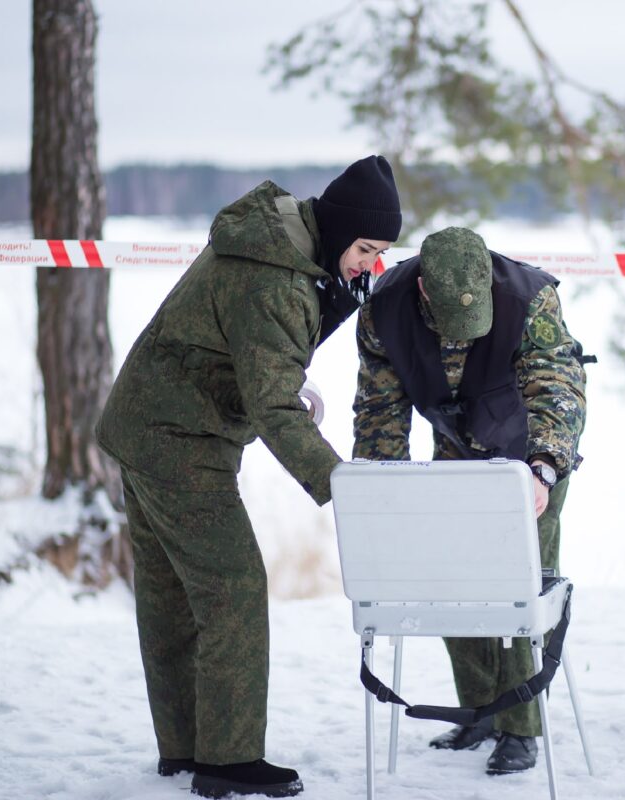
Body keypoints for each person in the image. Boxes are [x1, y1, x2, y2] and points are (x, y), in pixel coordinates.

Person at [96, 156, 402, 797]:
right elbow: (271, 407)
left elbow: (254, 355)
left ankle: (185, 749)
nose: (368, 265)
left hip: (145, 422)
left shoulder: (276, 247)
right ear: (341, 228)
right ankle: (228, 762)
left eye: (379, 254)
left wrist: (325, 316)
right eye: (365, 249)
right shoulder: (277, 283)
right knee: (232, 588)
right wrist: (343, 488)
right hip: (179, 439)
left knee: (174, 599)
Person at [352, 226, 587, 774]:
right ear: (425, 293)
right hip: (455, 454)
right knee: (452, 586)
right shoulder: (384, 309)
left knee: (519, 595)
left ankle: (520, 729)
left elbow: (558, 384)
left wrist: (544, 467)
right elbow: (380, 406)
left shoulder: (530, 298)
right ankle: (481, 711)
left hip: (530, 457)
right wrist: (381, 486)